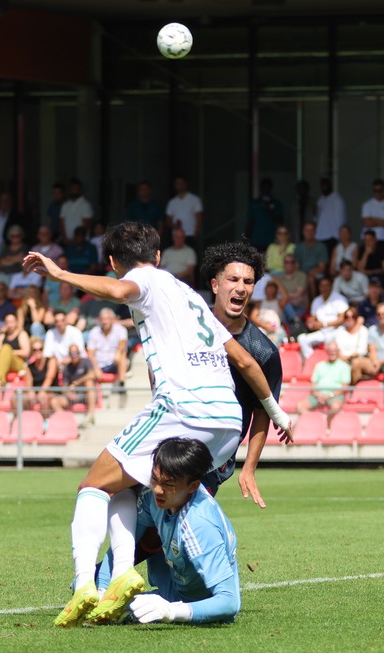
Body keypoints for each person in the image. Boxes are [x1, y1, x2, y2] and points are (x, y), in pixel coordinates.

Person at [22, 222, 290, 627]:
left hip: (186, 410)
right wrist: (279, 414)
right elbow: (246, 362)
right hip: (226, 427)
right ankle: (156, 583)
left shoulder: (142, 280)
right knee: (137, 491)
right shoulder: (189, 297)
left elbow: (118, 291)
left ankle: (87, 584)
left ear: (113, 262)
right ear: (159, 254)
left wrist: (58, 273)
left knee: (93, 485)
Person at [116, 438, 241, 625]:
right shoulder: (154, 497)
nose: (158, 490)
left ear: (193, 486)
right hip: (171, 588)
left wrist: (172, 611)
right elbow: (124, 545)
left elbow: (229, 602)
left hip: (197, 602)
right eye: (155, 479)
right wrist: (102, 587)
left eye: (169, 484)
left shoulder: (199, 524)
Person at [198, 240, 284, 505]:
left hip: (215, 456)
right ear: (215, 284)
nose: (241, 287)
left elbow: (262, 413)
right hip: (176, 434)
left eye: (248, 282)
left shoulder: (264, 352)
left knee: (179, 513)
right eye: (233, 279)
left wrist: (249, 467)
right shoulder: (190, 327)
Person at [295, 276, 348, 358]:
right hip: (322, 332)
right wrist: (310, 323)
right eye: (322, 286)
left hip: (337, 331)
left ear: (331, 286)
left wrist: (324, 324)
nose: (324, 288)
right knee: (302, 339)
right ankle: (313, 360)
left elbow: (343, 319)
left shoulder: (339, 299)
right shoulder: (316, 300)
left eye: (327, 285)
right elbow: (313, 318)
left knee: (329, 340)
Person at [296, 341, 349, 420]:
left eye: (334, 350)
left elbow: (344, 387)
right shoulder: (319, 365)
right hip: (318, 395)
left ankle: (326, 424)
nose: (332, 352)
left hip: (335, 396)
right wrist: (318, 395)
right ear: (327, 351)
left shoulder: (345, 366)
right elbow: (313, 384)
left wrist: (330, 395)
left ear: (338, 351)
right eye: (330, 350)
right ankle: (316, 421)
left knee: (335, 407)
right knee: (300, 406)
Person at [50, 344, 98, 426]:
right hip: (73, 397)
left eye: (76, 353)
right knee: (54, 402)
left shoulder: (86, 361)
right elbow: (65, 387)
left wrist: (76, 383)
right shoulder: (67, 368)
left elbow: (92, 374)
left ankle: (90, 416)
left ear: (79, 353)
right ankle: (67, 423)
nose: (74, 356)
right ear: (69, 355)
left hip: (87, 395)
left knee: (89, 382)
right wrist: (68, 393)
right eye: (72, 354)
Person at [86, 307, 128, 390]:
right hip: (99, 365)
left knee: (122, 355)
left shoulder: (120, 329)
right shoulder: (94, 332)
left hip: (114, 363)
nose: (105, 322)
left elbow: (123, 342)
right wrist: (96, 369)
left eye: (107, 319)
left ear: (112, 319)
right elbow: (90, 354)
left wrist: (118, 353)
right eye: (102, 319)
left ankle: (121, 383)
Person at [248, 178, 285, 251]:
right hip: (256, 240)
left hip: (272, 241)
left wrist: (270, 209)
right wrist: (246, 239)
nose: (266, 191)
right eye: (264, 188)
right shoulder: (254, 203)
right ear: (261, 189)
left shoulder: (276, 203)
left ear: (271, 189)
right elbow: (249, 222)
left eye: (268, 188)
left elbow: (280, 221)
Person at [165, 176, 203, 248]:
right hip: (176, 236)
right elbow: (168, 220)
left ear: (185, 184)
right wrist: (174, 226)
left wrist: (196, 232)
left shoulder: (195, 199)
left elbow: (199, 218)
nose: (179, 185)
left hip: (190, 235)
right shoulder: (172, 202)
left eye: (181, 183)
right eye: (177, 183)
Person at [315, 177, 346, 256]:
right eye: (322, 185)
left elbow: (340, 219)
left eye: (326, 185)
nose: (324, 187)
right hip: (320, 235)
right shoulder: (320, 199)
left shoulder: (337, 199)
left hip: (332, 236)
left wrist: (339, 236)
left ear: (331, 185)